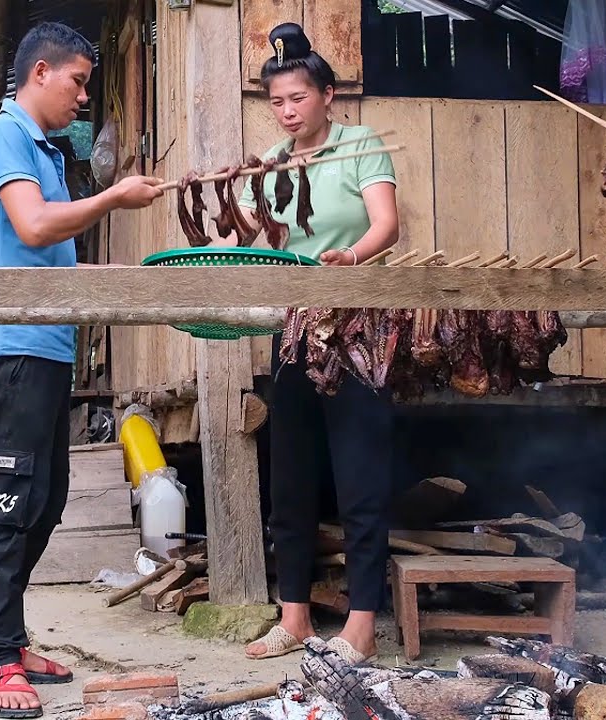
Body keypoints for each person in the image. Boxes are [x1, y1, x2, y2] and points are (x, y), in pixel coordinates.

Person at [0, 21, 164, 719]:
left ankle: (0, 642)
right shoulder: (5, 137)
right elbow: (34, 228)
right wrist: (112, 199)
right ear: (40, 73)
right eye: (78, 81)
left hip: (46, 348)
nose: (84, 97)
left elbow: (56, 251)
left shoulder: (45, 152)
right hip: (12, 345)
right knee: (9, 501)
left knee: (45, 503)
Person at [232, 22, 400, 665]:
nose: (288, 111)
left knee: (359, 473)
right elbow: (245, 235)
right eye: (277, 102)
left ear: (328, 95)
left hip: (358, 327)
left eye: (298, 97)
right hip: (295, 332)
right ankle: (294, 616)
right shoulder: (271, 165)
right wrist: (220, 199)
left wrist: (348, 258)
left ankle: (360, 624)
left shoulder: (361, 146)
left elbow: (386, 224)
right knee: (292, 473)